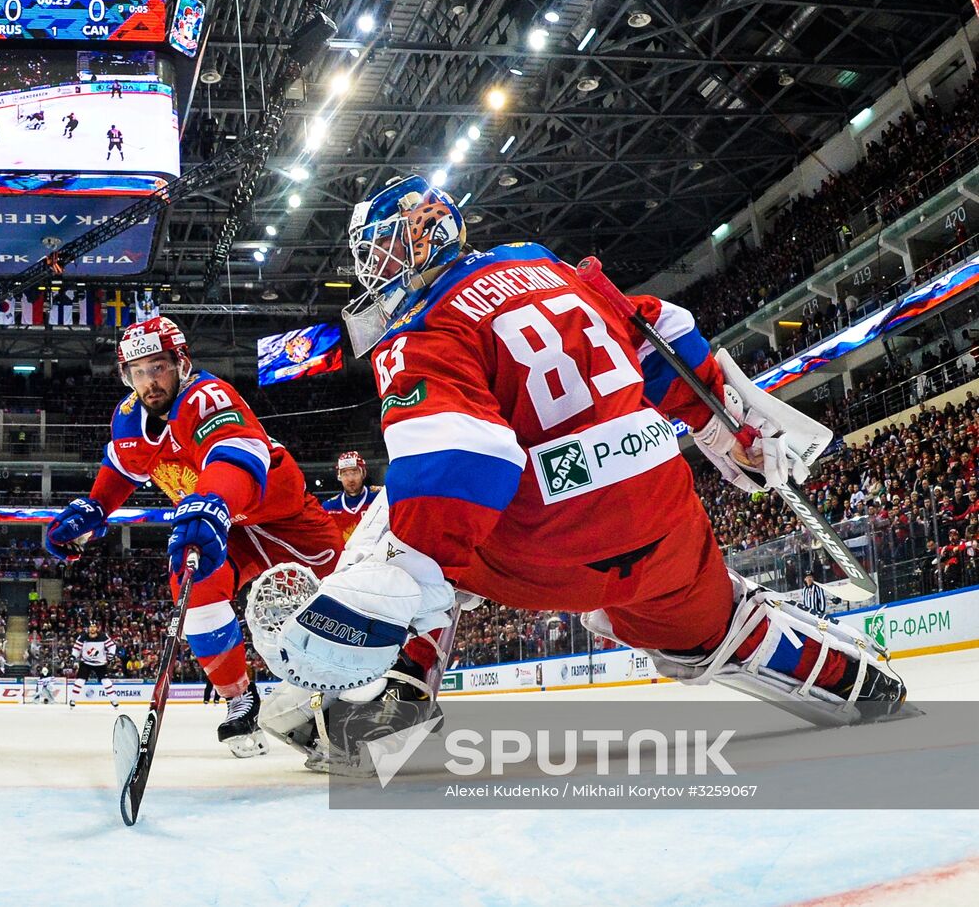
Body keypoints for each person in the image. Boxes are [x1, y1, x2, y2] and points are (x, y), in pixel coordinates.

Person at [262, 175, 906, 763]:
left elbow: (458, 461)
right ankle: (857, 683)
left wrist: (405, 583)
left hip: (551, 546)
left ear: (424, 235)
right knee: (706, 628)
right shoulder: (548, 266)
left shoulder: (421, 330)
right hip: (667, 522)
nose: (373, 272)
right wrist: (717, 426)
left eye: (380, 252)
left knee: (401, 515)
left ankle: (390, 705)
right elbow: (664, 330)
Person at [45, 316, 344, 756]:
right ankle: (239, 698)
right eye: (139, 371)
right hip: (227, 526)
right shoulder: (129, 417)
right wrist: (95, 508)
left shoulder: (206, 396)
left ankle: (362, 701)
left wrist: (212, 500)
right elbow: (123, 469)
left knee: (346, 612)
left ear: (181, 363)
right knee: (189, 577)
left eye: (158, 366)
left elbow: (237, 454)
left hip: (287, 523)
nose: (150, 381)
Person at [321, 451, 382, 542]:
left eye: (354, 472)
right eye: (345, 473)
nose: (350, 479)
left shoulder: (379, 497)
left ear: (363, 473)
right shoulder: (328, 508)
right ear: (339, 476)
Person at [69, 620, 119, 708]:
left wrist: (111, 656)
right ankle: (73, 700)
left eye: (94, 626)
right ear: (88, 628)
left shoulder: (103, 636)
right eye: (90, 627)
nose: (92, 628)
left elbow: (112, 646)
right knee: (80, 681)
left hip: (100, 663)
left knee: (106, 681)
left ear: (97, 628)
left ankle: (113, 700)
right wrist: (73, 656)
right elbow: (76, 648)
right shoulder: (82, 637)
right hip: (86, 662)